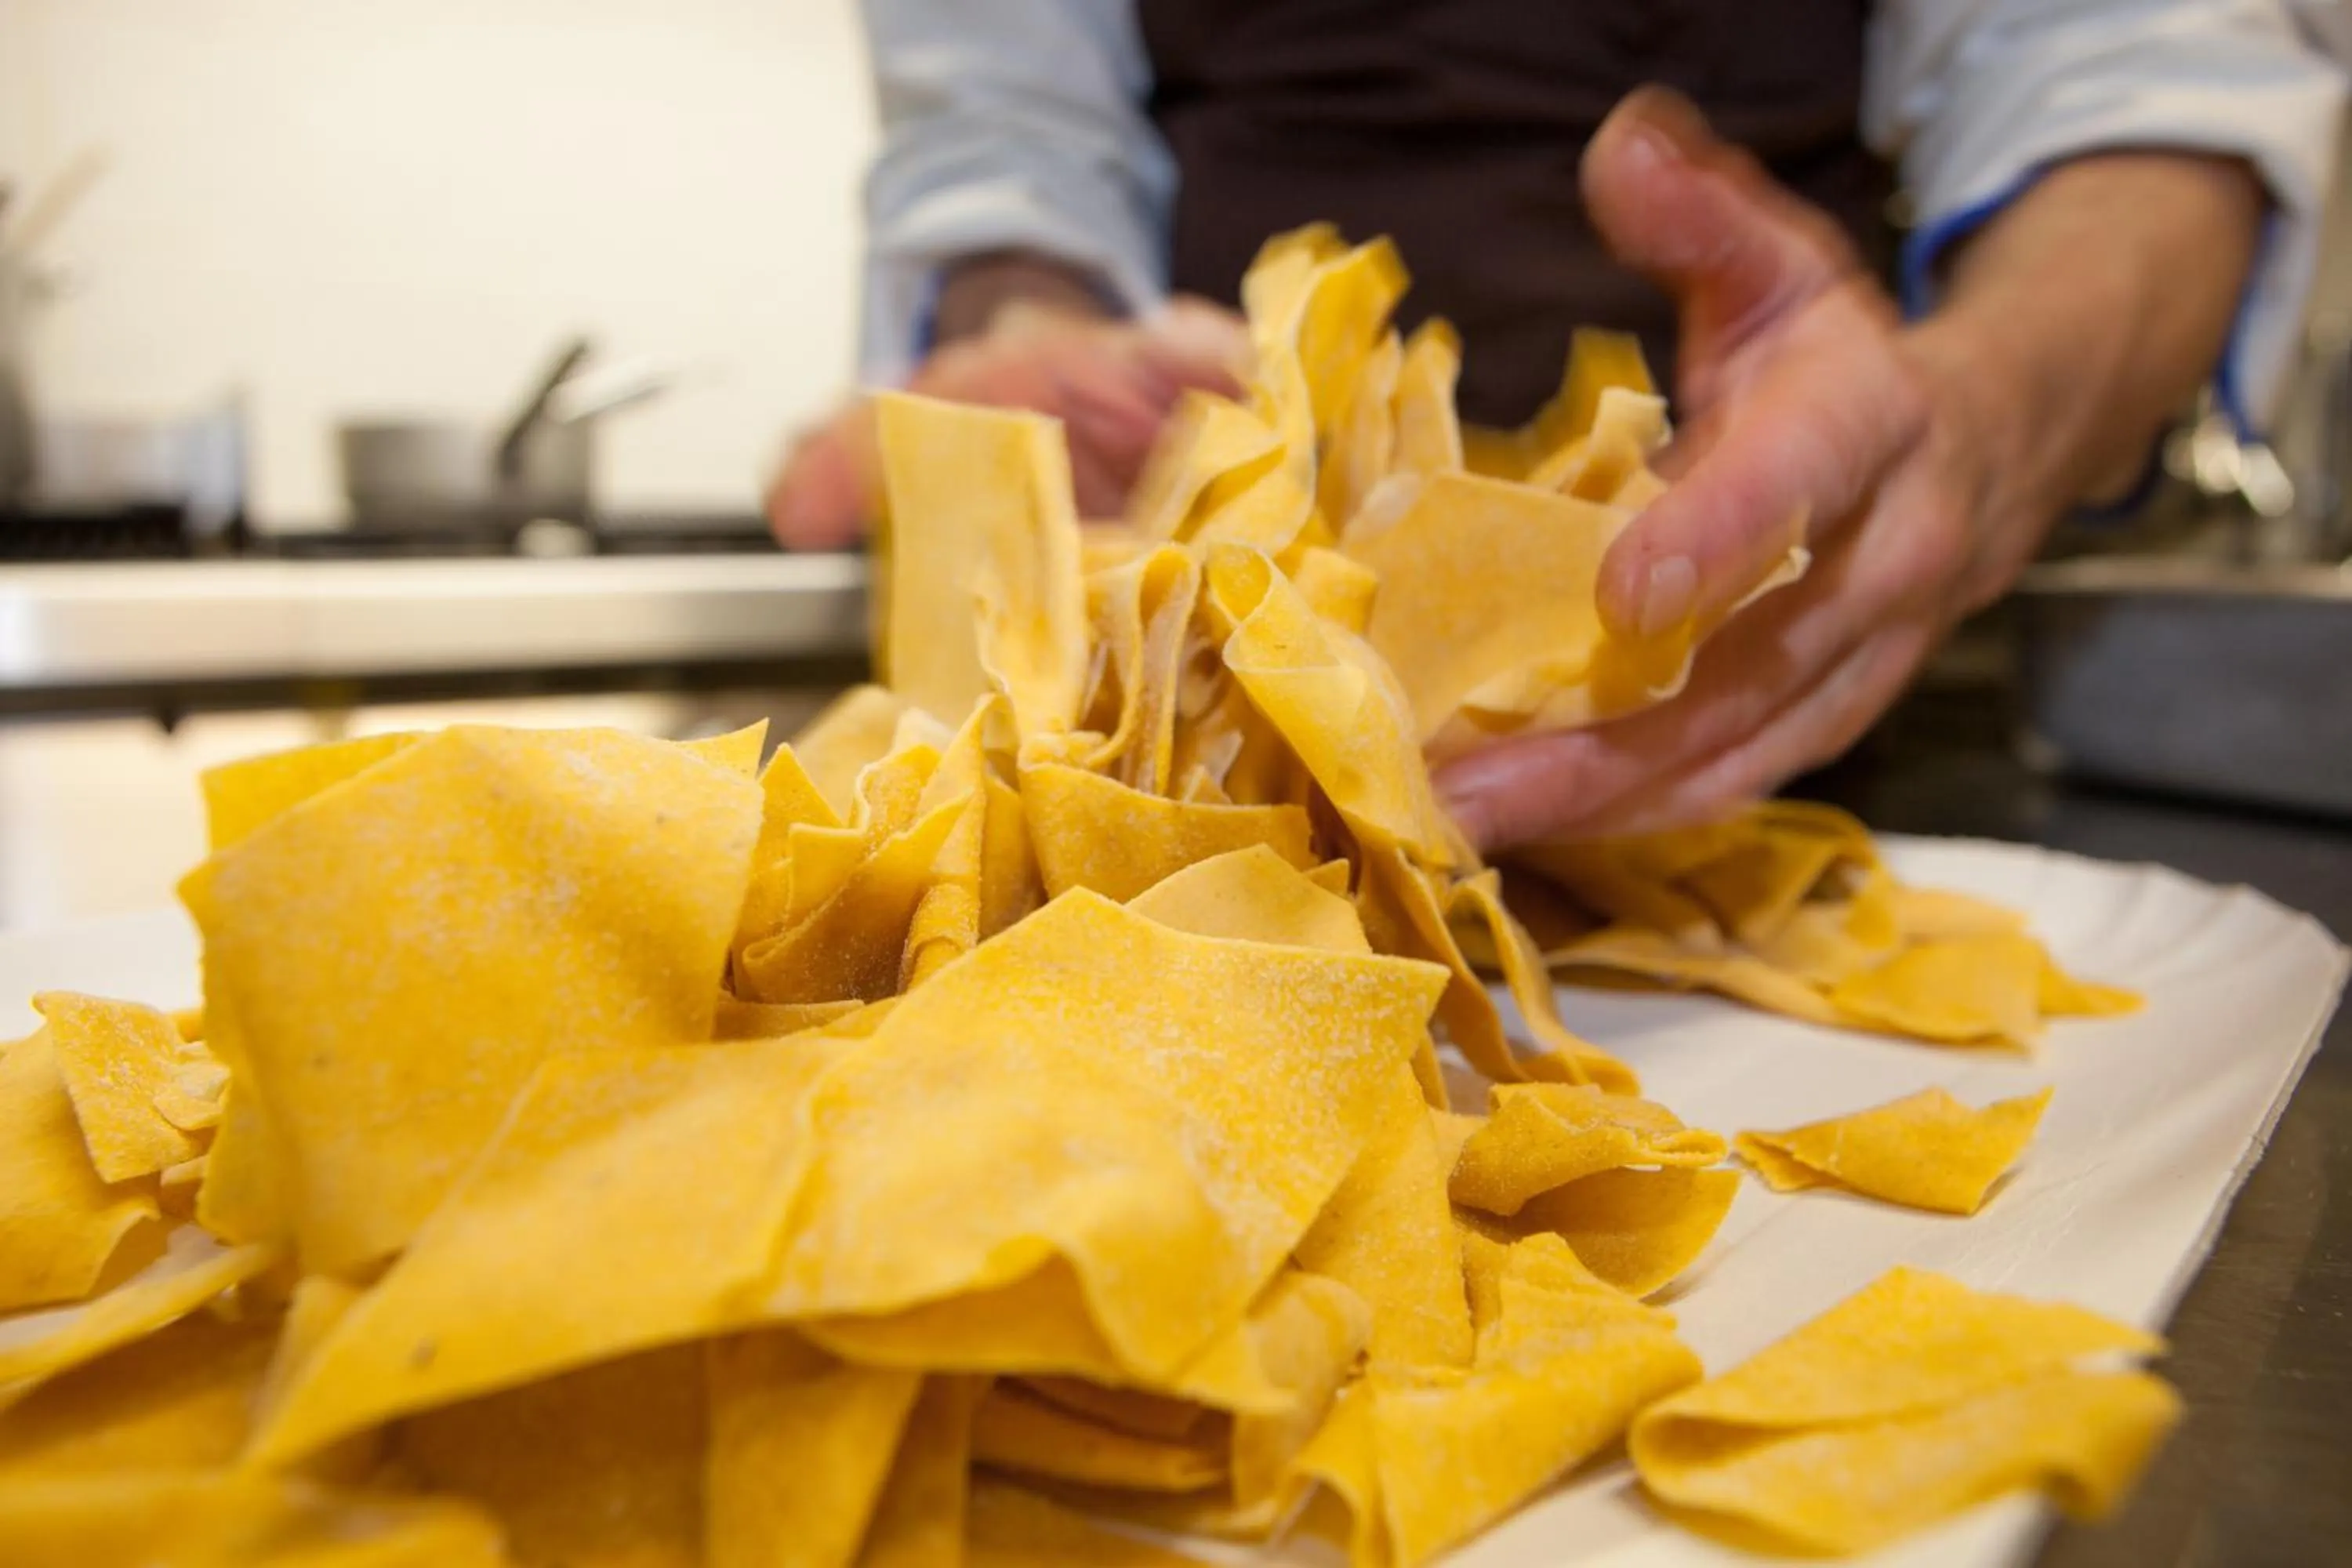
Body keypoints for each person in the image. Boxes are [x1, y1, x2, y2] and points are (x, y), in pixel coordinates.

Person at [770, 2, 2347, 851]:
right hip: (1185, 724)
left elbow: (2135, 66)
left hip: (1788, 681)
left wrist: (1980, 411)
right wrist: (1039, 341)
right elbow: (1007, 130)